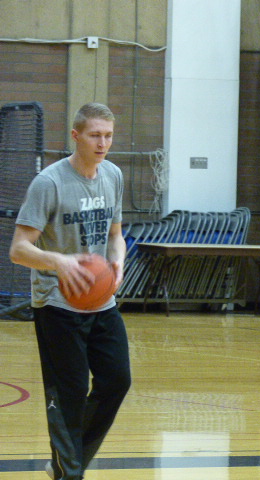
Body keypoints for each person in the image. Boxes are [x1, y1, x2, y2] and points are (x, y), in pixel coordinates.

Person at [9, 103, 131, 480]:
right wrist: (59, 262)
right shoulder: (49, 183)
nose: (102, 143)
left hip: (101, 302)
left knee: (117, 380)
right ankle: (68, 472)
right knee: (70, 394)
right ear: (76, 136)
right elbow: (18, 249)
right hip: (57, 304)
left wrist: (117, 263)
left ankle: (69, 459)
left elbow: (116, 236)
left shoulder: (113, 175)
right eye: (95, 135)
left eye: (108, 136)